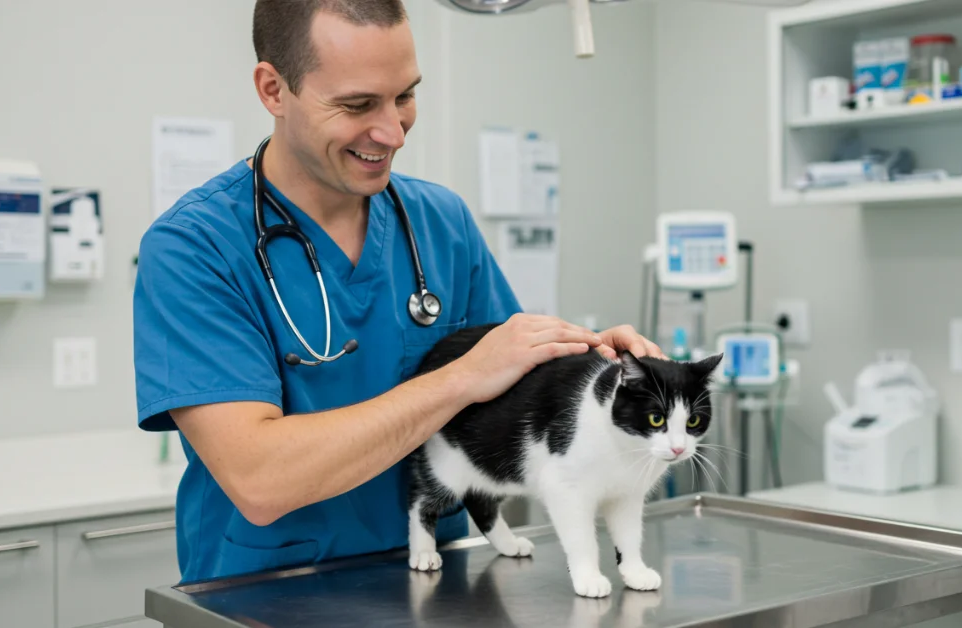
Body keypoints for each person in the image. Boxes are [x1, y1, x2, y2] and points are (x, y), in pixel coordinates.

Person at [133, 0, 663, 584]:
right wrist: (461, 376)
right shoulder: (194, 248)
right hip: (267, 597)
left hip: (442, 588)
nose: (392, 132)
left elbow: (514, 387)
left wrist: (596, 370)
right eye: (358, 104)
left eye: (405, 95)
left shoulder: (441, 222)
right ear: (273, 90)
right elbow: (260, 481)